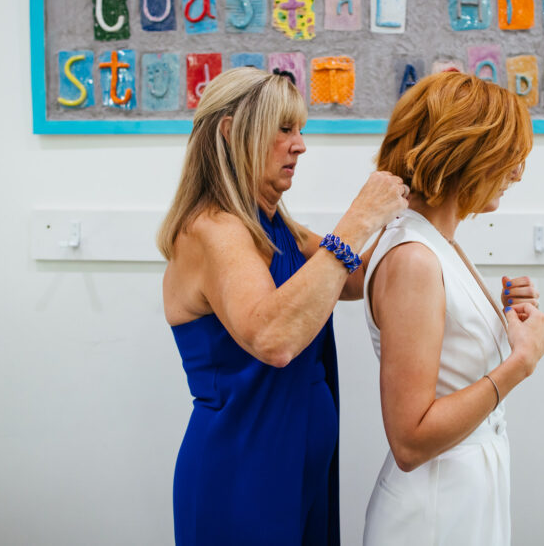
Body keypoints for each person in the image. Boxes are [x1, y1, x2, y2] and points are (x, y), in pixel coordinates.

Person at [157, 66, 407, 545]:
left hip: (297, 472)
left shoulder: (278, 228)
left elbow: (352, 278)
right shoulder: (213, 229)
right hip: (241, 478)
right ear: (232, 133)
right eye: (285, 129)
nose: (300, 145)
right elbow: (273, 339)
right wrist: (358, 219)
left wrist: (414, 216)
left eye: (301, 130)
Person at [361, 72, 544, 545]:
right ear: (468, 156)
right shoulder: (414, 258)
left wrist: (501, 319)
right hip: (433, 514)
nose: (517, 174)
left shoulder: (435, 243)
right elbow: (410, 440)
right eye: (509, 157)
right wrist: (520, 363)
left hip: (459, 500)